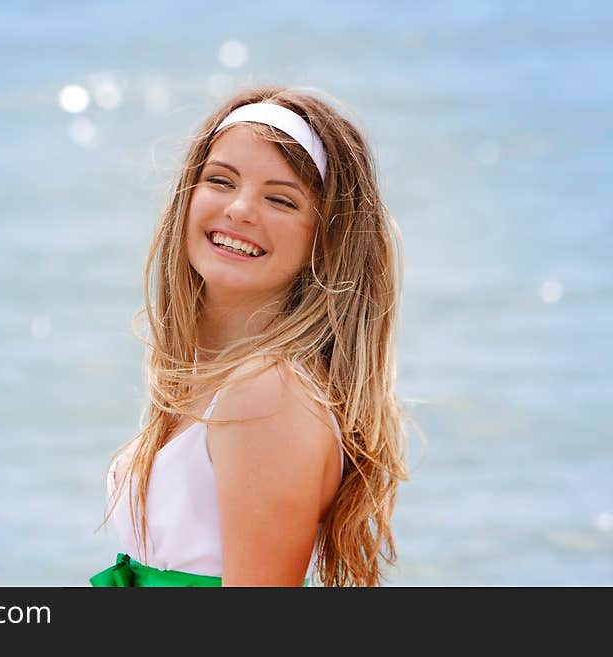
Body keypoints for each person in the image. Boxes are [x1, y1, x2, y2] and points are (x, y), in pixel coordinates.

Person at [91, 85, 409, 587]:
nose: (240, 209)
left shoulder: (266, 392)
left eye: (281, 200)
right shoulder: (204, 379)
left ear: (323, 241)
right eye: (220, 180)